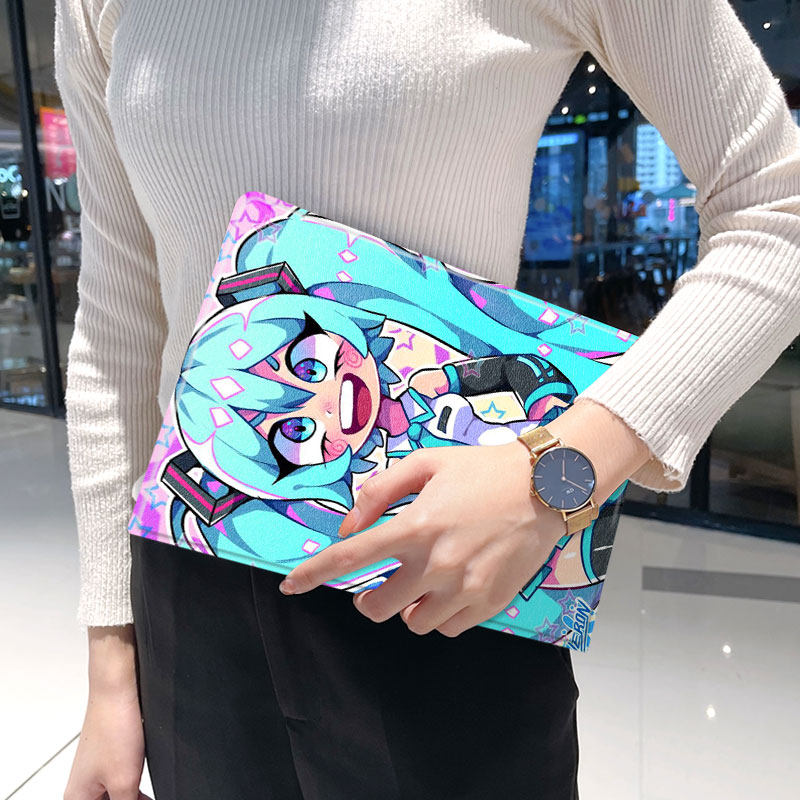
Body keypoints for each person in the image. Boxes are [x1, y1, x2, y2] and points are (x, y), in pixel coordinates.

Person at [54, 1, 800, 798]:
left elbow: (776, 208)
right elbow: (120, 318)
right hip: (191, 572)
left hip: (448, 567)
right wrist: (111, 658)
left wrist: (557, 474)